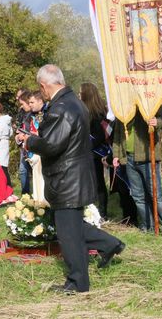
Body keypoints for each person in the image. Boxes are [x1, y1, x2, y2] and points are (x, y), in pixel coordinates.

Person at [18, 65, 125, 294]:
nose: (42, 92)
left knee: (68, 233)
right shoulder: (74, 103)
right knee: (71, 226)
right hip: (75, 174)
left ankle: (78, 283)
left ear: (44, 86)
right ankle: (109, 244)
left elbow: (51, 145)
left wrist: (29, 141)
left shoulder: (61, 107)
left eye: (41, 89)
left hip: (67, 178)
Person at [112, 109, 162, 237]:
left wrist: (156, 122)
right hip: (129, 158)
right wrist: (116, 154)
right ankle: (147, 225)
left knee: (156, 195)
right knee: (138, 196)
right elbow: (118, 134)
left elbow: (161, 120)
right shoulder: (123, 107)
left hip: (147, 157)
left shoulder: (147, 102)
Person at [79, 82, 110, 219]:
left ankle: (102, 213)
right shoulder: (85, 111)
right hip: (87, 153)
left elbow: (99, 137)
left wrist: (85, 145)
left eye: (80, 93)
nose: (78, 95)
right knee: (89, 183)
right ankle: (91, 210)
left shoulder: (97, 113)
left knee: (98, 183)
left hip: (95, 154)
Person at [26, 91, 47, 203]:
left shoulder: (47, 113)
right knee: (37, 180)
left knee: (43, 180)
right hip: (35, 152)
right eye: (29, 102)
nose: (30, 105)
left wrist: (36, 135)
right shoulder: (31, 115)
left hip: (44, 151)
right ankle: (39, 202)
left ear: (40, 101)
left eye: (32, 102)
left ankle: (44, 203)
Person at [15, 90, 33, 195]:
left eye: (23, 104)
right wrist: (18, 136)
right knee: (22, 170)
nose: (22, 106)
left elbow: (35, 131)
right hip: (24, 147)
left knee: (34, 172)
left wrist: (25, 136)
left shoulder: (34, 115)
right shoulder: (24, 114)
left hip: (32, 147)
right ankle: (25, 194)